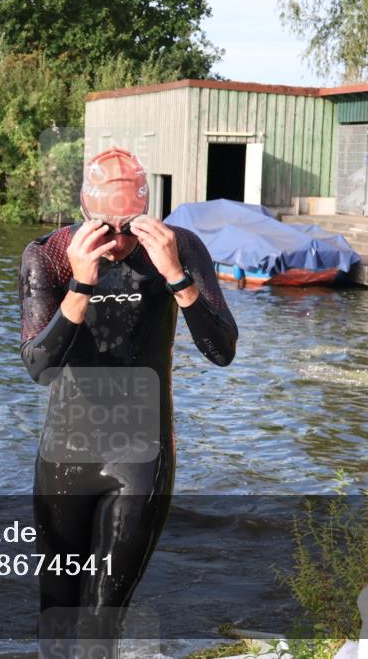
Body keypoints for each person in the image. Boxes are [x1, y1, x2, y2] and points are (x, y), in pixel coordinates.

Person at [18, 147, 237, 657]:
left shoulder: (177, 247)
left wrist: (177, 278)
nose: (118, 241)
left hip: (140, 455)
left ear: (147, 210)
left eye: (130, 225)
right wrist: (80, 283)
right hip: (65, 455)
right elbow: (38, 367)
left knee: (101, 616)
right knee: (57, 607)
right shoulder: (49, 253)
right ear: (84, 208)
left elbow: (221, 351)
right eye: (107, 226)